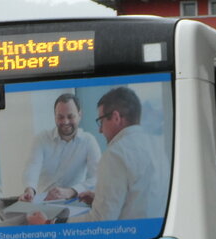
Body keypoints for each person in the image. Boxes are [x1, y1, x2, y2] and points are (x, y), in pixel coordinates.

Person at [26, 86, 169, 224]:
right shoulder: (157, 146)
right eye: (60, 117)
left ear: (115, 117)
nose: (100, 130)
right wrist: (99, 199)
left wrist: (50, 224)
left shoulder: (115, 154)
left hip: (124, 237)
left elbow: (100, 221)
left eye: (101, 121)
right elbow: (137, 198)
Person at [18, 93, 100, 202]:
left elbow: (98, 177)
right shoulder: (41, 139)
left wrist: (72, 191)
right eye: (60, 117)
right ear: (55, 117)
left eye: (70, 116)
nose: (65, 122)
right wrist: (30, 189)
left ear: (80, 115)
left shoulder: (89, 141)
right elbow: (32, 167)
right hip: (44, 201)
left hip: (75, 201)